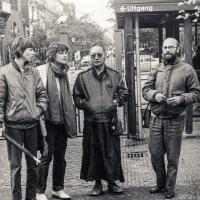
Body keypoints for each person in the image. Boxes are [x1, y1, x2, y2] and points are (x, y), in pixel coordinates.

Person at [142, 38, 200, 199]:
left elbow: (196, 93)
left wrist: (181, 99)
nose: (168, 50)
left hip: (175, 120)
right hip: (156, 119)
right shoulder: (156, 69)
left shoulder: (187, 70)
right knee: (155, 154)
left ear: (177, 49)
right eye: (165, 47)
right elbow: (145, 89)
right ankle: (160, 183)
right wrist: (154, 95)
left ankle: (169, 186)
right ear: (162, 50)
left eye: (171, 47)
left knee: (173, 157)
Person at [73, 43, 128, 196]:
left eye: (99, 55)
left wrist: (115, 102)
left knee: (112, 153)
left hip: (109, 121)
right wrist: (87, 105)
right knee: (94, 153)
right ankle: (97, 184)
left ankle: (112, 182)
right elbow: (77, 97)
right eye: (93, 56)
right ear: (90, 58)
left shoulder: (115, 75)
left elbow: (124, 93)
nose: (96, 58)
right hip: (91, 122)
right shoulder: (82, 77)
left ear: (105, 56)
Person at [0, 36, 47, 200]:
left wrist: (37, 110)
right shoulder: (4, 72)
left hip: (32, 126)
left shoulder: (34, 72)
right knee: (16, 167)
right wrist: (1, 123)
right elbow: (0, 100)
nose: (33, 53)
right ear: (20, 50)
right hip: (13, 127)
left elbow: (42, 95)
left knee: (33, 165)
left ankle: (31, 198)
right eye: (30, 49)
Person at [36, 42, 77, 200]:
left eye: (66, 52)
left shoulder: (64, 71)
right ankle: (40, 191)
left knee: (61, 156)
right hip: (47, 121)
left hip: (62, 121)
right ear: (52, 54)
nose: (65, 55)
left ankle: (57, 189)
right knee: (46, 156)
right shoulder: (41, 71)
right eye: (61, 52)